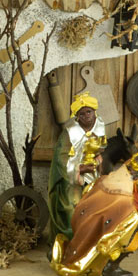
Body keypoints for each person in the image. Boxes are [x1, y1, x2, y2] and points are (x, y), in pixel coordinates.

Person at [50, 128, 138, 276]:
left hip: (93, 206)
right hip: (89, 205)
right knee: (130, 229)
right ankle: (108, 266)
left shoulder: (110, 177)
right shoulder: (121, 196)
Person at [48, 92, 106, 241]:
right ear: (77, 117)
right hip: (70, 176)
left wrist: (97, 160)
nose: (86, 116)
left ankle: (89, 238)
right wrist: (80, 169)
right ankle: (70, 239)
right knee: (71, 207)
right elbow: (61, 158)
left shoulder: (99, 126)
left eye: (89, 112)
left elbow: (100, 148)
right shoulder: (70, 132)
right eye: (82, 114)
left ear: (94, 112)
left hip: (92, 173)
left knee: (95, 204)